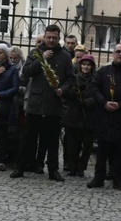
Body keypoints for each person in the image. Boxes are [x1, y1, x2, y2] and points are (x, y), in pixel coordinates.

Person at [10, 25, 74, 182]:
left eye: (54, 37)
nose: (51, 40)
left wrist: (62, 90)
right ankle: (20, 167)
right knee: (28, 138)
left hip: (53, 103)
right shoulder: (35, 53)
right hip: (36, 103)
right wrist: (42, 59)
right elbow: (26, 72)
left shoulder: (65, 56)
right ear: (44, 37)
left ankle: (53, 170)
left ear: (59, 38)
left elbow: (71, 78)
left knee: (52, 140)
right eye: (48, 37)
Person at [88, 43, 121, 191]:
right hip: (104, 115)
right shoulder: (103, 71)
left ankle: (118, 179)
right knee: (102, 148)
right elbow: (93, 88)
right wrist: (104, 102)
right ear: (113, 54)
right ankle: (99, 177)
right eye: (118, 52)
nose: (120, 55)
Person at [63, 55, 97, 177]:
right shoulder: (75, 77)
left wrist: (87, 101)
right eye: (83, 64)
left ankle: (81, 167)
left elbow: (98, 95)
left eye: (88, 65)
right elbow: (67, 94)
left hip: (88, 115)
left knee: (87, 144)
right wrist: (74, 92)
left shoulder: (95, 79)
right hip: (74, 114)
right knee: (72, 144)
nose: (86, 67)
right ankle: (72, 167)